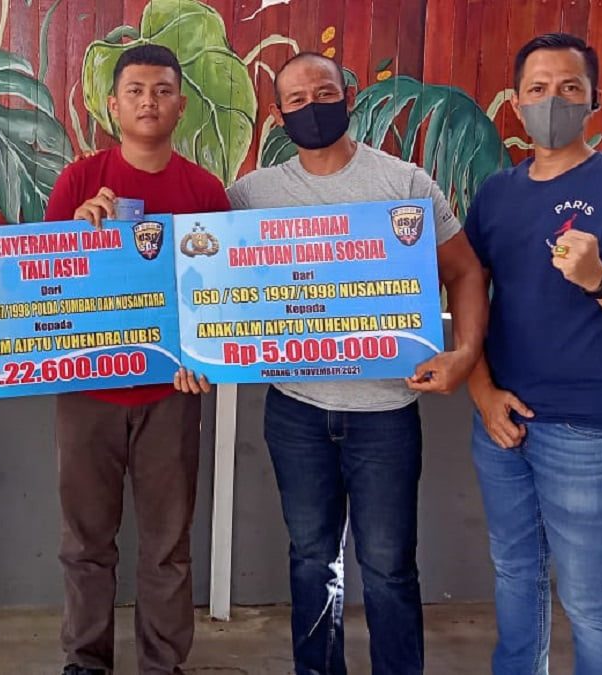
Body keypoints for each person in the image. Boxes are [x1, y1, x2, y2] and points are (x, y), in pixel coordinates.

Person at [179, 52, 489, 675]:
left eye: (323, 93)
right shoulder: (252, 195)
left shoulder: (404, 185)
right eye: (296, 100)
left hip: (387, 411)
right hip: (296, 411)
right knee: (311, 561)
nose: (312, 107)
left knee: (389, 567)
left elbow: (465, 271)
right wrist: (192, 352)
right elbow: (189, 262)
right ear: (278, 116)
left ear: (347, 95)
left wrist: (465, 352)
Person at [465, 33, 602, 675]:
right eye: (537, 89)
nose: (552, 101)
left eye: (568, 88)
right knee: (514, 576)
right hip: (503, 422)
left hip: (589, 429)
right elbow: (469, 296)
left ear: (594, 100)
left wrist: (600, 281)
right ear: (516, 102)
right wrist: (482, 393)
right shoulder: (496, 194)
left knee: (590, 600)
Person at [43, 44, 230, 675]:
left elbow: (220, 293)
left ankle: (162, 663)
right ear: (113, 105)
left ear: (181, 105)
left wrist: (205, 358)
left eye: (162, 90)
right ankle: (85, 660)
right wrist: (76, 232)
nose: (149, 101)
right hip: (88, 391)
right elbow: (45, 284)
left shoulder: (204, 191)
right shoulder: (79, 181)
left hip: (170, 393)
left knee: (167, 545)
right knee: (85, 542)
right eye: (136, 91)